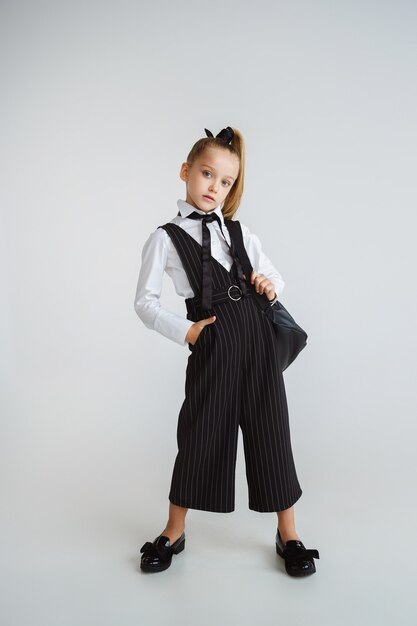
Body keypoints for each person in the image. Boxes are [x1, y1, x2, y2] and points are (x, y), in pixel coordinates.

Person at [133, 126, 320, 576]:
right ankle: (173, 531)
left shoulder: (238, 231)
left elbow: (273, 273)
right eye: (206, 174)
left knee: (271, 431)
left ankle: (288, 533)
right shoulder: (165, 237)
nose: (214, 187)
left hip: (256, 340)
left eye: (225, 182)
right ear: (186, 172)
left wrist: (268, 285)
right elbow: (144, 302)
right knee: (199, 433)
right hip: (213, 345)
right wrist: (187, 332)